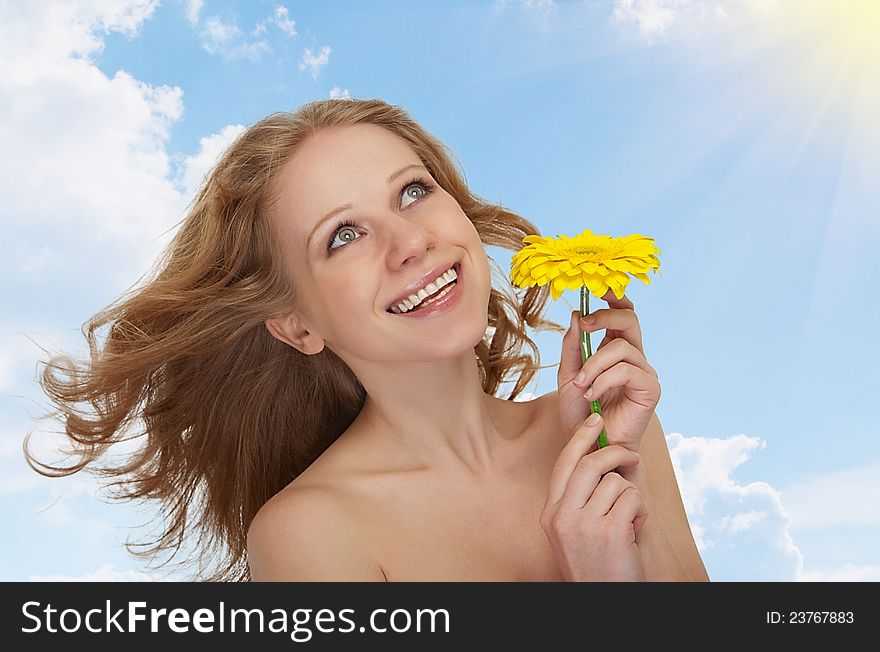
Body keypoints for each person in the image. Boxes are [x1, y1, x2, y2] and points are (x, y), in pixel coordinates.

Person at [29, 98, 708, 582]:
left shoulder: (621, 435)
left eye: (413, 192)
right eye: (343, 236)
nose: (410, 242)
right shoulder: (311, 535)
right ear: (296, 325)